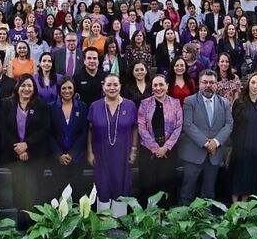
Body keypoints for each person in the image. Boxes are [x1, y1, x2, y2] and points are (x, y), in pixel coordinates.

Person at [0, 75, 51, 221]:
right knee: (19, 188)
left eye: (30, 86)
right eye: (23, 85)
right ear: (18, 87)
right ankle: (21, 219)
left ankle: (36, 221)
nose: (26, 89)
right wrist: (18, 148)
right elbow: (2, 129)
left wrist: (27, 144)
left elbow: (45, 129)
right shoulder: (6, 104)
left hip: (35, 155)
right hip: (14, 154)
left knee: (35, 188)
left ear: (34, 89)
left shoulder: (41, 105)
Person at [178, 70, 234, 204]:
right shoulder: (189, 101)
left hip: (214, 156)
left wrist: (216, 142)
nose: (208, 85)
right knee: (187, 191)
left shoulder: (224, 103)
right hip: (193, 155)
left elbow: (229, 124)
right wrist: (206, 143)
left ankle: (206, 222)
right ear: (199, 83)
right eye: (205, 82)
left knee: (208, 193)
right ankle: (183, 222)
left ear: (216, 84)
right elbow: (188, 125)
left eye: (212, 82)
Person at [88, 74, 139, 212]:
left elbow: (135, 128)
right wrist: (90, 152)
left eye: (115, 85)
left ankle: (119, 219)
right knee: (102, 183)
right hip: (101, 154)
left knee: (121, 184)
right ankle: (103, 221)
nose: (112, 88)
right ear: (103, 87)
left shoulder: (130, 105)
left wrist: (134, 150)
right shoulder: (95, 106)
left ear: (120, 86)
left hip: (122, 153)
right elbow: (90, 130)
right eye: (108, 85)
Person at [137, 74, 183, 205]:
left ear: (167, 86)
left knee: (167, 185)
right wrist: (155, 148)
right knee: (149, 184)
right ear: (151, 88)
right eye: (155, 85)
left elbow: (178, 127)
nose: (158, 88)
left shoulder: (175, 103)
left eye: (161, 84)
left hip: (169, 151)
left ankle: (166, 217)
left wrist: (165, 148)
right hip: (148, 151)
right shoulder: (144, 104)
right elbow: (142, 128)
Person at [230, 72, 257, 202]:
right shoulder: (239, 102)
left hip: (255, 147)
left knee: (250, 177)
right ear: (248, 84)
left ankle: (245, 205)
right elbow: (232, 124)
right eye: (253, 82)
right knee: (237, 176)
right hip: (240, 147)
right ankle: (235, 207)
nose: (255, 86)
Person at [50, 77, 89, 199]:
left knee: (76, 191)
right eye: (64, 88)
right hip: (57, 159)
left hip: (77, 158)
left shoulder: (82, 107)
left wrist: (72, 154)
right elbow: (49, 133)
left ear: (74, 89)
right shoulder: (51, 107)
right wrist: (59, 155)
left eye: (70, 88)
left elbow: (84, 132)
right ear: (59, 90)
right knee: (59, 192)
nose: (67, 91)